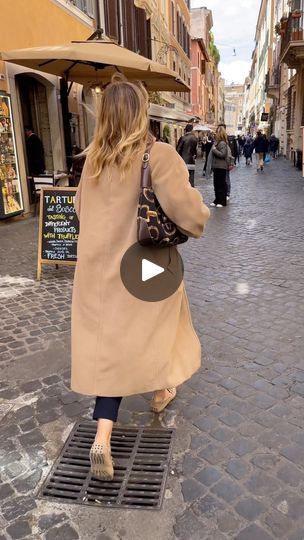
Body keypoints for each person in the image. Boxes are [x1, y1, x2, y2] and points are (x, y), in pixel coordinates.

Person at [71, 75, 210, 481]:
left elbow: (81, 213)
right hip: (143, 267)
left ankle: (103, 434)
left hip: (97, 273)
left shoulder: (92, 160)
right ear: (140, 112)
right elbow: (189, 213)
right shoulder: (158, 154)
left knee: (111, 347)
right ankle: (162, 385)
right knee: (171, 310)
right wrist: (201, 210)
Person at [206, 125, 229, 207]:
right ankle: (217, 199)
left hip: (221, 166)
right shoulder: (217, 142)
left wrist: (215, 150)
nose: (215, 134)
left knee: (221, 184)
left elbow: (223, 154)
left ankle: (222, 201)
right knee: (216, 184)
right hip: (217, 166)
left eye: (217, 132)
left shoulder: (222, 143)